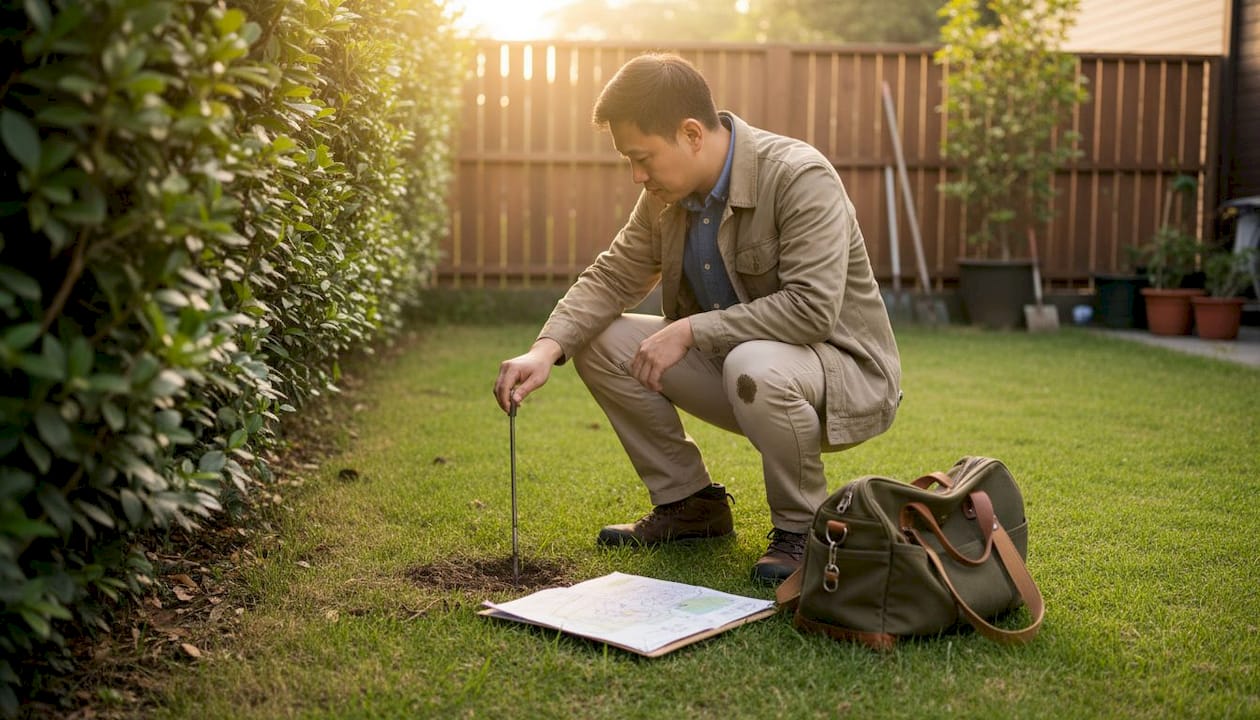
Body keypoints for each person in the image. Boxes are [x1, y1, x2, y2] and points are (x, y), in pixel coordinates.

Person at [492, 53, 901, 585]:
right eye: (628, 162)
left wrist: (688, 329)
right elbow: (614, 275)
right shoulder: (665, 196)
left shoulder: (799, 176)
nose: (636, 175)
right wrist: (544, 349)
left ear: (690, 133)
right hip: (743, 371)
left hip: (841, 379)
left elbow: (812, 309)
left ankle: (805, 531)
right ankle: (689, 506)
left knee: (755, 362)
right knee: (596, 339)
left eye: (642, 158)